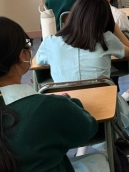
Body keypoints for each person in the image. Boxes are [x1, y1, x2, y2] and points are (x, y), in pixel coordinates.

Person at [0, 17, 109, 172]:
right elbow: (88, 129)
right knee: (103, 160)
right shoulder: (49, 107)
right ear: (22, 55)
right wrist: (70, 103)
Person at [36, 0, 129, 134]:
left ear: (73, 15)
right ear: (105, 19)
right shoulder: (106, 39)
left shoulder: (50, 42)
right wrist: (114, 27)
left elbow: (39, 61)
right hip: (104, 114)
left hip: (66, 113)